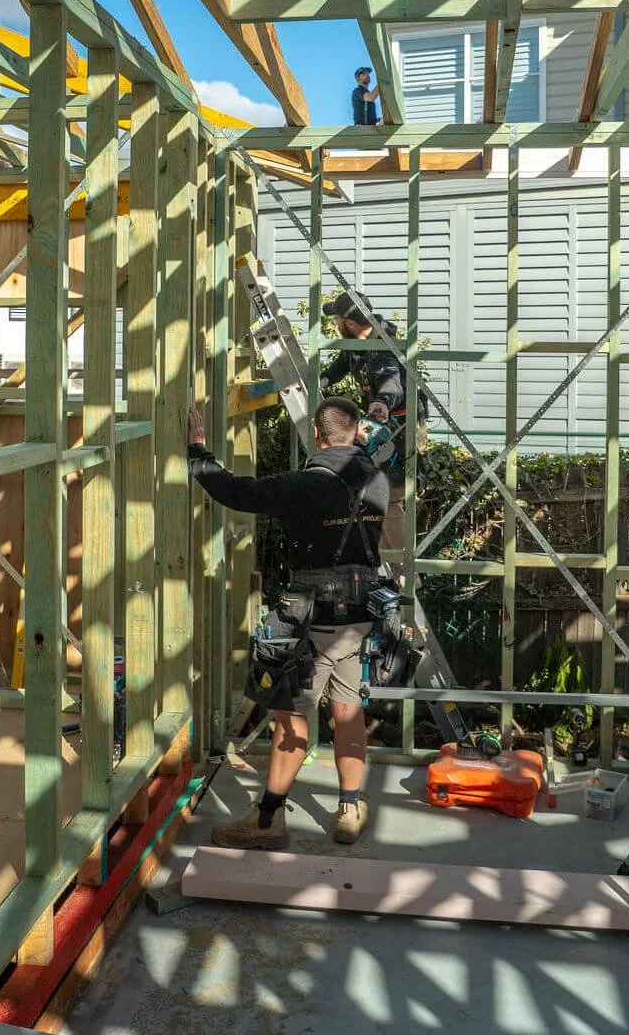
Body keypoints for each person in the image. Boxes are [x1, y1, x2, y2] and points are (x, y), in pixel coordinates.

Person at [187, 396, 388, 849]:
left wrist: (199, 454)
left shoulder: (303, 484)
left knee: (291, 718)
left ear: (316, 435)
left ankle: (268, 821)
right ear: (356, 432)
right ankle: (350, 809)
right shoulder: (378, 482)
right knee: (349, 711)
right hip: (359, 617)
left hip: (312, 617)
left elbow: (236, 492)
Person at [320, 290, 428, 569]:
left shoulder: (383, 347)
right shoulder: (359, 343)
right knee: (374, 498)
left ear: (351, 324)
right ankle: (392, 567)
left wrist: (381, 404)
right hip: (389, 422)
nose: (335, 324)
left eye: (336, 319)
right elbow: (342, 365)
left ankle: (405, 572)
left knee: (389, 499)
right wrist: (323, 379)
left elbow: (390, 381)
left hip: (401, 426)